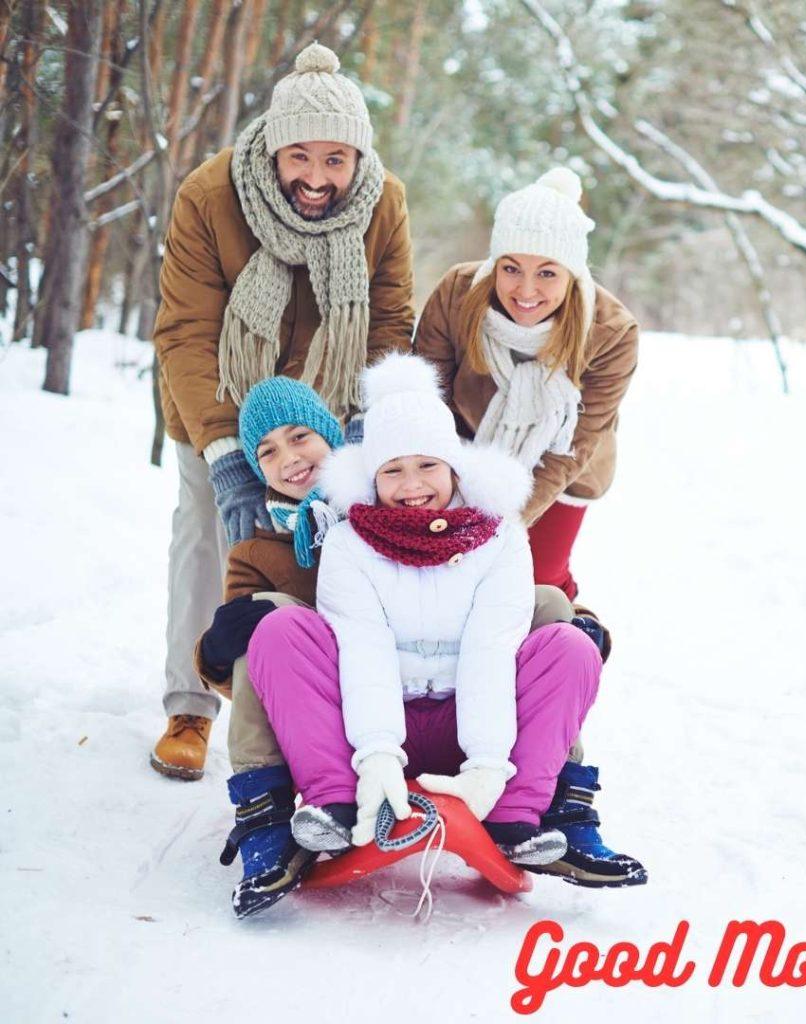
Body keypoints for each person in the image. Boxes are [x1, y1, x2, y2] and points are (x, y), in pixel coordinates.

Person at [198, 375, 600, 916]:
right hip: (340, 714)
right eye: (267, 452)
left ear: (334, 440)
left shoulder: (477, 524)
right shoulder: (264, 547)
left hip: (462, 699)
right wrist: (217, 650)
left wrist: (582, 629)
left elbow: (499, 631)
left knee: (554, 610)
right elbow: (262, 674)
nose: (289, 457)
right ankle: (273, 816)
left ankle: (555, 805)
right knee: (269, 623)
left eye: (300, 437)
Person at [151, 42, 415, 781]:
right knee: (210, 527)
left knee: (332, 547)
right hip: (220, 396)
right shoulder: (212, 194)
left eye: (337, 160)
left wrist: (363, 425)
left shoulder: (383, 201)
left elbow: (391, 318)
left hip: (328, 405)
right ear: (272, 148)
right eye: (301, 157)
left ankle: (318, 710)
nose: (317, 177)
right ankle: (190, 706)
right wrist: (228, 454)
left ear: (359, 158)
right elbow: (185, 331)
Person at [413, 167, 647, 888]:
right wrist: (444, 505)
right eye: (511, 267)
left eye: (547, 273)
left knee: (537, 599)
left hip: (557, 475)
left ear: (572, 274)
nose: (525, 288)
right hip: (457, 457)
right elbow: (423, 405)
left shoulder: (609, 330)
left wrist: (498, 523)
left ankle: (565, 799)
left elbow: (570, 447)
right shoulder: (457, 293)